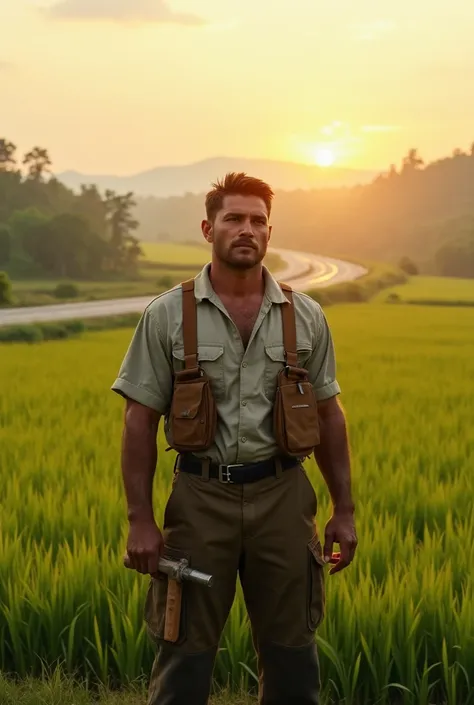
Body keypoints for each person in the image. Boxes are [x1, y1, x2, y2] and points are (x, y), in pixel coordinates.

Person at [111, 172, 357, 705]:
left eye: (257, 221)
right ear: (208, 228)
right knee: (184, 654)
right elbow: (138, 420)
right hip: (201, 499)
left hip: (284, 497)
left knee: (293, 654)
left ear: (269, 232)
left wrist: (344, 509)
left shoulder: (305, 315)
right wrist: (140, 520)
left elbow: (329, 414)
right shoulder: (168, 314)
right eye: (234, 219)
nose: (247, 229)